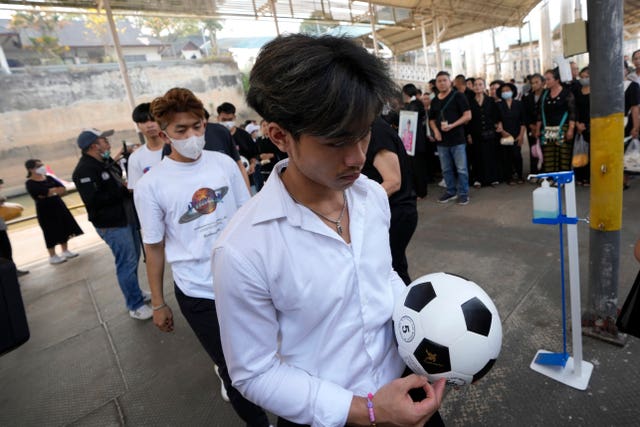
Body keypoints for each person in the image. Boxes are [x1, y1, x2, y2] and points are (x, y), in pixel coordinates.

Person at [212, 34, 445, 427]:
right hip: (330, 417)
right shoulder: (243, 249)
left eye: (364, 133)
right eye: (336, 141)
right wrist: (368, 411)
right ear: (280, 136)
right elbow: (254, 372)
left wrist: (428, 326)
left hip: (406, 390)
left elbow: (381, 274)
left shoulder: (370, 196)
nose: (357, 157)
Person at [134, 88, 270, 426]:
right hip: (199, 292)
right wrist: (158, 303)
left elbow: (248, 216)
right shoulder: (152, 185)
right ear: (164, 133)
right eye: (181, 131)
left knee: (271, 352)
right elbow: (153, 246)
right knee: (234, 369)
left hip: (245, 280)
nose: (193, 136)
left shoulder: (224, 164)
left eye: (197, 126)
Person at [72, 128, 152, 320]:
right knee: (126, 262)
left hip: (126, 218)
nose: (108, 144)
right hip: (112, 224)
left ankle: (136, 293)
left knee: (133, 258)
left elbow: (117, 179)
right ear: (93, 146)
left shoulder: (105, 162)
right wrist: (122, 190)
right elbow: (93, 200)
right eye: (103, 141)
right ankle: (135, 305)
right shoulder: (85, 170)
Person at [362, 116, 418, 285]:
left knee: (392, 270)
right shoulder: (366, 127)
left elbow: (393, 182)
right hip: (390, 211)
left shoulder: (377, 131)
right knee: (394, 266)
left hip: (397, 212)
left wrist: (359, 207)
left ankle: (405, 309)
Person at [24, 159, 83, 265]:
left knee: (64, 227)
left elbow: (62, 189)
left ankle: (65, 250)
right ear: (31, 169)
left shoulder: (49, 178)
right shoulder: (30, 183)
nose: (42, 167)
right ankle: (52, 256)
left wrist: (50, 191)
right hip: (45, 210)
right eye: (38, 166)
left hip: (58, 205)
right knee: (50, 231)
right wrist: (53, 190)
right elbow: (40, 194)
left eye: (42, 165)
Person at [429, 70, 472, 205]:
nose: (441, 83)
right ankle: (451, 191)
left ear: (450, 82)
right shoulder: (435, 100)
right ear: (436, 84)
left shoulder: (458, 96)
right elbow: (431, 119)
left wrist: (453, 125)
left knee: (461, 168)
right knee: (446, 169)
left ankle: (464, 193)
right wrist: (436, 131)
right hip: (442, 141)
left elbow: (468, 115)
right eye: (439, 81)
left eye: (444, 80)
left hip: (457, 139)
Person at [535, 68, 576, 174]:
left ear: (557, 80)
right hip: (548, 129)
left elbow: (572, 113)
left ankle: (563, 179)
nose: (546, 82)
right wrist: (538, 129)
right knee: (549, 156)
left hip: (563, 128)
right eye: (545, 79)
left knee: (563, 156)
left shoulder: (567, 93)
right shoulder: (545, 94)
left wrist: (571, 129)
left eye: (548, 79)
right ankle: (551, 178)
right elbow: (540, 113)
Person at [217, 102, 262, 192]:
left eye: (230, 119)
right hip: (224, 185)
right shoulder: (215, 137)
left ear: (234, 118)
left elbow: (255, 154)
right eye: (224, 120)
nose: (227, 123)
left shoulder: (244, 135)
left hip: (247, 181)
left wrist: (252, 164)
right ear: (218, 118)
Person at [467, 77, 500, 188]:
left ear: (484, 86)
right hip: (475, 133)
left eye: (480, 84)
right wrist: (469, 134)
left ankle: (493, 178)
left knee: (491, 155)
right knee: (477, 156)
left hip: (490, 132)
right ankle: (478, 179)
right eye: (475, 84)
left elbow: (495, 116)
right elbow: (468, 120)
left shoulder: (490, 100)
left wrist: (497, 126)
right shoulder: (469, 102)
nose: (477, 87)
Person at [127, 103, 165, 190]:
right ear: (138, 126)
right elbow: (136, 189)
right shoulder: (135, 158)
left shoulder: (177, 148)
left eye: (153, 120)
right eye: (143, 122)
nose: (149, 125)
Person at [401, 83, 429, 198]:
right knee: (412, 167)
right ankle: (416, 190)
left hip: (416, 142)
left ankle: (421, 192)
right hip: (410, 142)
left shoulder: (415, 104)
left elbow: (411, 119)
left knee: (418, 168)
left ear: (406, 93)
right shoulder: (410, 104)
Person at [495, 83, 526, 185]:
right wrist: (503, 132)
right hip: (505, 134)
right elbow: (497, 121)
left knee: (517, 155)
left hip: (517, 133)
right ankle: (509, 177)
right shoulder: (498, 105)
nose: (505, 92)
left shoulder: (519, 104)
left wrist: (521, 135)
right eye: (503, 91)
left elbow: (523, 121)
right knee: (507, 155)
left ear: (513, 91)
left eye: (507, 90)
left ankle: (520, 175)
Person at [0, 179, 28, 276]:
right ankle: (8, 273)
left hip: (1, 228)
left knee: (7, 250)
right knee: (3, 252)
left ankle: (12, 271)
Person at [522, 73, 545, 179]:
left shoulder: (547, 94)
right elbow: (524, 113)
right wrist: (531, 125)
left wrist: (540, 126)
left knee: (544, 149)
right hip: (531, 127)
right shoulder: (527, 97)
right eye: (532, 83)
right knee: (533, 149)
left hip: (544, 127)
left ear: (543, 83)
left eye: (537, 82)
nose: (534, 85)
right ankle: (534, 173)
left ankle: (544, 173)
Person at [573, 67, 591, 186]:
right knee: (579, 151)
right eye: (582, 77)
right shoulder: (576, 90)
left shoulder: (597, 91)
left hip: (591, 124)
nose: (584, 79)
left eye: (586, 77)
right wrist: (577, 124)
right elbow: (573, 108)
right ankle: (579, 176)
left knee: (590, 151)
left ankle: (588, 177)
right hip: (579, 124)